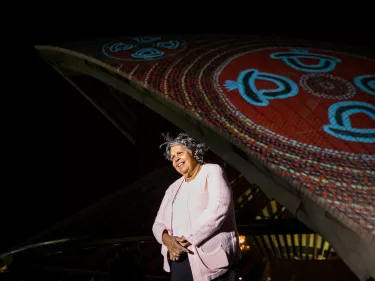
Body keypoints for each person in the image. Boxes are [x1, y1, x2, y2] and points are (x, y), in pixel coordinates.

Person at [152, 133, 241, 281]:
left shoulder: (212, 171)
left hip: (212, 260)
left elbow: (219, 208)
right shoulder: (172, 188)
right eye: (172, 158)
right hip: (180, 258)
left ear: (193, 151)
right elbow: (158, 224)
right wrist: (167, 240)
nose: (176, 159)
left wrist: (184, 240)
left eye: (179, 153)